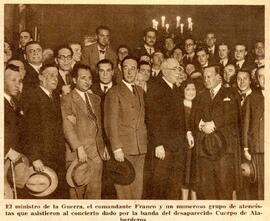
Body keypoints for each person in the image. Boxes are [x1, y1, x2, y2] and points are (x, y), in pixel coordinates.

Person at [61, 64, 109, 199]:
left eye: (89, 78)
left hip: (96, 154)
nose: (87, 81)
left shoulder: (95, 99)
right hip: (78, 154)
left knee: (94, 194)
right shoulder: (67, 99)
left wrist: (103, 145)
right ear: (74, 80)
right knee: (77, 194)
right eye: (83, 78)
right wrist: (78, 147)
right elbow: (67, 127)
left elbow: (99, 126)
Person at [193, 65, 241, 200]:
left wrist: (214, 124)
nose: (206, 80)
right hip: (205, 151)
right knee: (207, 190)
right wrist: (201, 125)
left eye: (209, 76)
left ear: (218, 77)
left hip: (224, 151)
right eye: (205, 77)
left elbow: (233, 114)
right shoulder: (201, 96)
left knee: (224, 189)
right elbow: (194, 117)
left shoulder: (230, 93)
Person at [21, 64, 68, 199]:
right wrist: (34, 157)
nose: (55, 79)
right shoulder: (32, 96)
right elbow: (27, 130)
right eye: (51, 75)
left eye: (57, 76)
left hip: (56, 157)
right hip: (42, 158)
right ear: (41, 77)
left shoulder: (55, 97)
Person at [104, 56, 147, 199]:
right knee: (124, 192)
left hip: (140, 148)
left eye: (133, 68)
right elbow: (110, 123)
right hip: (124, 149)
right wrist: (116, 148)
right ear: (121, 69)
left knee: (137, 192)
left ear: (137, 71)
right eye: (126, 68)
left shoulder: (140, 91)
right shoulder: (114, 92)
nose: (129, 72)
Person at [145, 58, 186, 199]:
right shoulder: (155, 88)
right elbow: (152, 119)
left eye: (179, 69)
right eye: (175, 69)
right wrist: (158, 144)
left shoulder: (176, 89)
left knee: (174, 188)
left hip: (177, 148)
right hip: (164, 148)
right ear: (165, 71)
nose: (178, 72)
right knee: (159, 188)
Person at [242, 66, 264, 200]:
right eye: (261, 76)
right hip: (259, 149)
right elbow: (246, 126)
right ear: (257, 80)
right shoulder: (253, 98)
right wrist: (245, 148)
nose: (264, 79)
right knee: (261, 186)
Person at [4, 64, 24, 199]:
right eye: (13, 80)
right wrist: (7, 150)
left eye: (20, 81)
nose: (17, 85)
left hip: (11, 162)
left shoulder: (14, 103)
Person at [181, 80, 197, 200]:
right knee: (185, 176)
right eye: (188, 89)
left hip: (197, 147)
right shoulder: (180, 106)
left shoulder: (198, 105)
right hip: (184, 148)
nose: (191, 92)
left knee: (195, 177)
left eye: (193, 89)